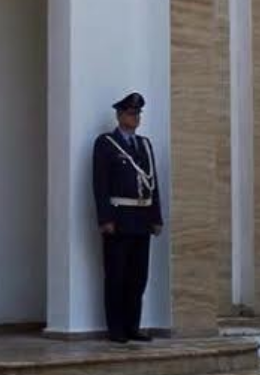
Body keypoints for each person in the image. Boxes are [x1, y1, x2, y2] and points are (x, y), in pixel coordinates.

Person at [91, 92, 163, 343]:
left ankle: (133, 326)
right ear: (120, 116)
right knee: (117, 276)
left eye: (138, 114)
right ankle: (117, 329)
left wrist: (156, 217)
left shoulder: (144, 145)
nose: (136, 118)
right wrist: (105, 219)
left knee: (137, 278)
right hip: (119, 221)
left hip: (142, 220)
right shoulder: (106, 144)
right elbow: (100, 184)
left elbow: (153, 184)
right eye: (132, 114)